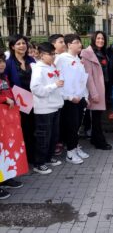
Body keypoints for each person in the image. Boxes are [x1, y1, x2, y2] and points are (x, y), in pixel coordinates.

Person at [30, 42, 64, 174]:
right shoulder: (38, 69)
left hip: (55, 106)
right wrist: (54, 86)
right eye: (51, 54)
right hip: (44, 108)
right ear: (42, 55)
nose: (54, 56)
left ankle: (48, 158)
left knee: (53, 136)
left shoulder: (50, 66)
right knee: (43, 136)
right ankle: (39, 163)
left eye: (54, 53)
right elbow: (36, 89)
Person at [55, 34, 89, 164]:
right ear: (69, 45)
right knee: (70, 125)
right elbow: (58, 79)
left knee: (77, 125)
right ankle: (70, 152)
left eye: (80, 42)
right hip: (68, 99)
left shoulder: (79, 59)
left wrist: (85, 96)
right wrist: (69, 97)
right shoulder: (61, 59)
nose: (80, 45)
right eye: (76, 42)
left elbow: (82, 80)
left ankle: (75, 147)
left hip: (79, 98)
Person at [5, 35, 36, 163]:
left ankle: (32, 155)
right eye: (18, 44)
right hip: (18, 101)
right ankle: (23, 158)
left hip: (33, 99)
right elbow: (5, 82)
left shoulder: (32, 60)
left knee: (33, 128)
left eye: (24, 43)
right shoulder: (8, 63)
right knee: (23, 129)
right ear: (12, 46)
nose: (22, 46)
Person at [81, 31, 112, 150]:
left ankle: (95, 139)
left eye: (103, 39)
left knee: (97, 116)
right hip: (95, 90)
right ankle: (100, 142)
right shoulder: (87, 53)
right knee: (96, 118)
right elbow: (87, 76)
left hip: (105, 88)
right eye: (98, 38)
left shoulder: (103, 53)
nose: (101, 41)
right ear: (93, 39)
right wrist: (93, 93)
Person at [0, 50, 23, 199]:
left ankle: (5, 178)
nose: (1, 64)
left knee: (6, 149)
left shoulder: (4, 77)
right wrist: (3, 99)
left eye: (2, 61)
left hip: (6, 118)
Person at [48, 33, 66, 156]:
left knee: (62, 121)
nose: (64, 44)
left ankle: (60, 142)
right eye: (60, 42)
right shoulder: (54, 59)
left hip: (63, 95)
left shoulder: (63, 57)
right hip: (54, 95)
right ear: (53, 44)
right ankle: (56, 144)